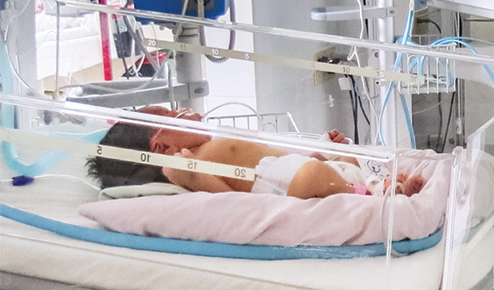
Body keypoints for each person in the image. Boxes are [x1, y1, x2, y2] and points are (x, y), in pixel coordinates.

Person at [86, 106, 424, 199]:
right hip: (294, 182)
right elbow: (230, 204)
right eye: (174, 114)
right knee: (318, 177)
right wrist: (192, 174)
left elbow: (275, 155)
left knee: (342, 164)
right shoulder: (194, 163)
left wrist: (323, 149)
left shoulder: (207, 149)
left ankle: (377, 188)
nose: (186, 110)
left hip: (292, 171)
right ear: (161, 147)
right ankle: (374, 195)